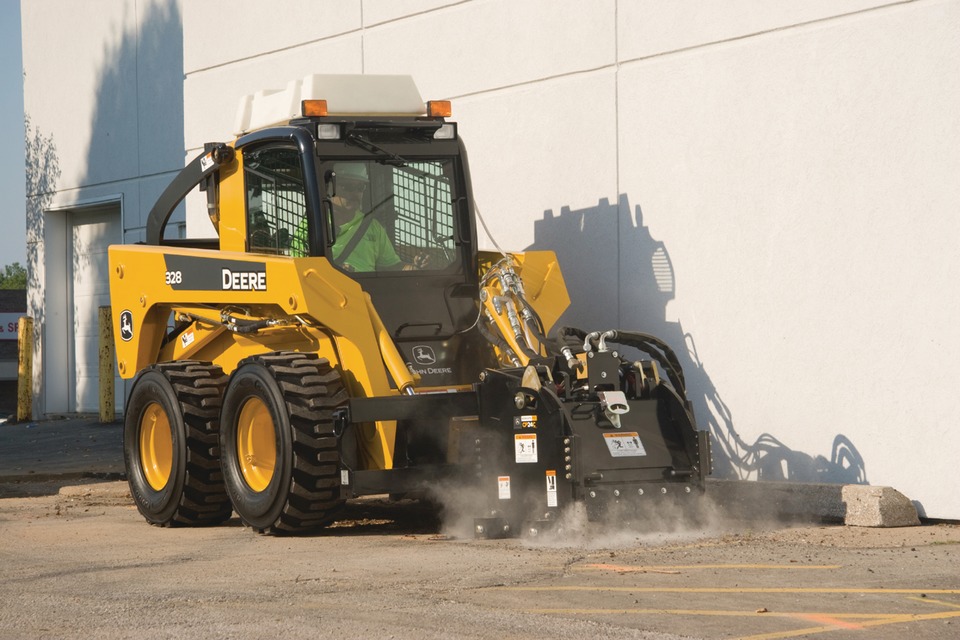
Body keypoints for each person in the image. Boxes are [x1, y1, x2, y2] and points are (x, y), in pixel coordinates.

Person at [290, 162, 427, 271]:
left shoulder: (372, 226)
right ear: (330, 189)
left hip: (366, 295)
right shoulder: (312, 227)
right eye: (348, 187)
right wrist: (334, 272)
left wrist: (414, 267)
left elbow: (393, 266)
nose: (355, 193)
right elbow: (298, 270)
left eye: (360, 187)